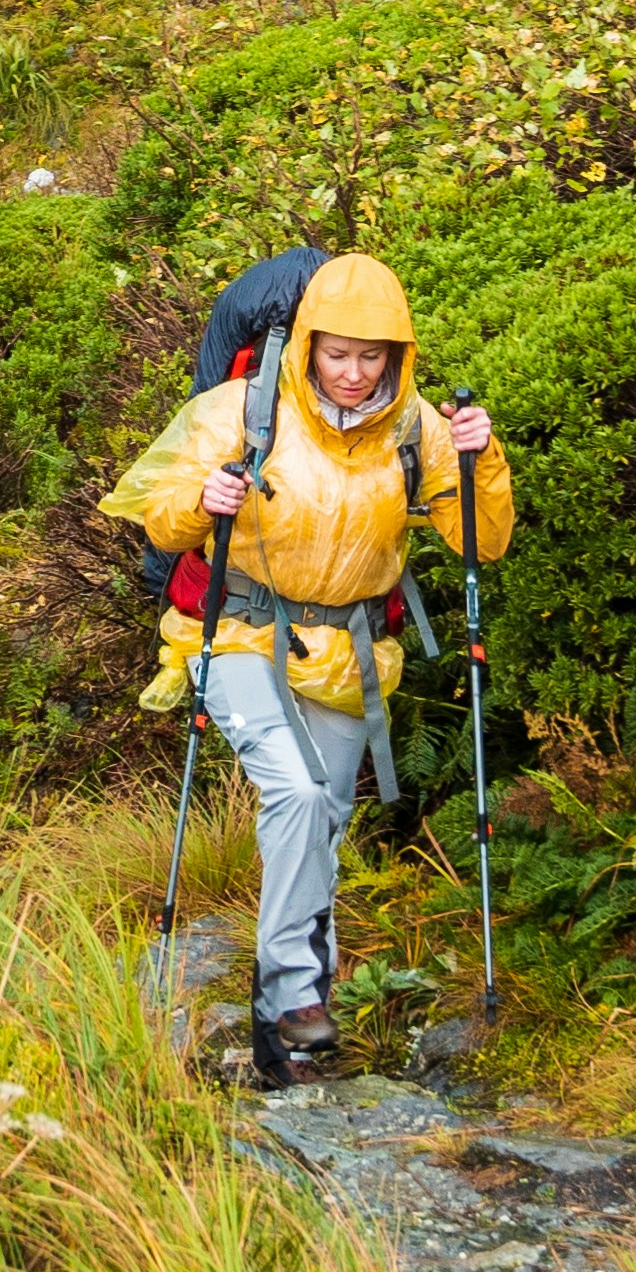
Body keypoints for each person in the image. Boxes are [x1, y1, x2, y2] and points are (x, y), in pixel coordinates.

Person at [110, 253, 509, 1086]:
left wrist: (484, 461)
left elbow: (481, 542)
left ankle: (283, 1035)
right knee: (293, 791)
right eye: (338, 354)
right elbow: (160, 520)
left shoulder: (418, 428)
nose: (356, 373)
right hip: (234, 633)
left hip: (349, 651)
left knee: (323, 817)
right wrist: (202, 502)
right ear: (307, 345)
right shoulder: (246, 408)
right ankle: (296, 994)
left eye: (374, 356)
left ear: (398, 354)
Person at [138, 243, 341, 713]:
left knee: (201, 477)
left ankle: (175, 611)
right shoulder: (295, 302)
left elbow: (212, 393)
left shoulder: (257, 295)